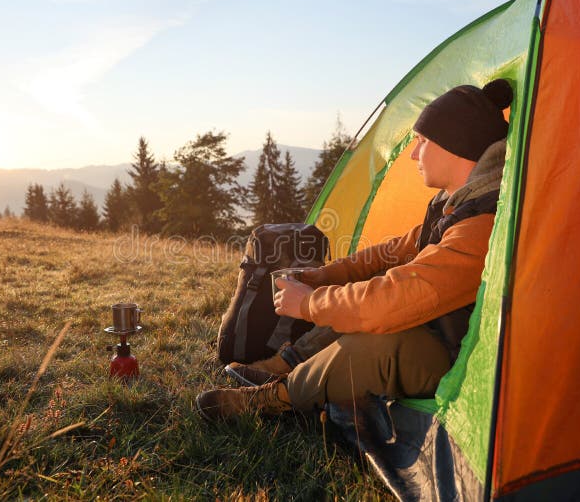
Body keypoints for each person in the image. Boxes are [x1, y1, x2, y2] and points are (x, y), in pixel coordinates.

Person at [196, 79, 513, 421]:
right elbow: (388, 253)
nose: (413, 154)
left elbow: (395, 299)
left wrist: (308, 303)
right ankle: (286, 365)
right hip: (433, 332)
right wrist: (323, 276)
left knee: (379, 336)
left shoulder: (482, 225)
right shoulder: (452, 207)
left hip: (460, 364)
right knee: (369, 288)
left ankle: (277, 398)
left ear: (455, 145)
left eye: (422, 142)